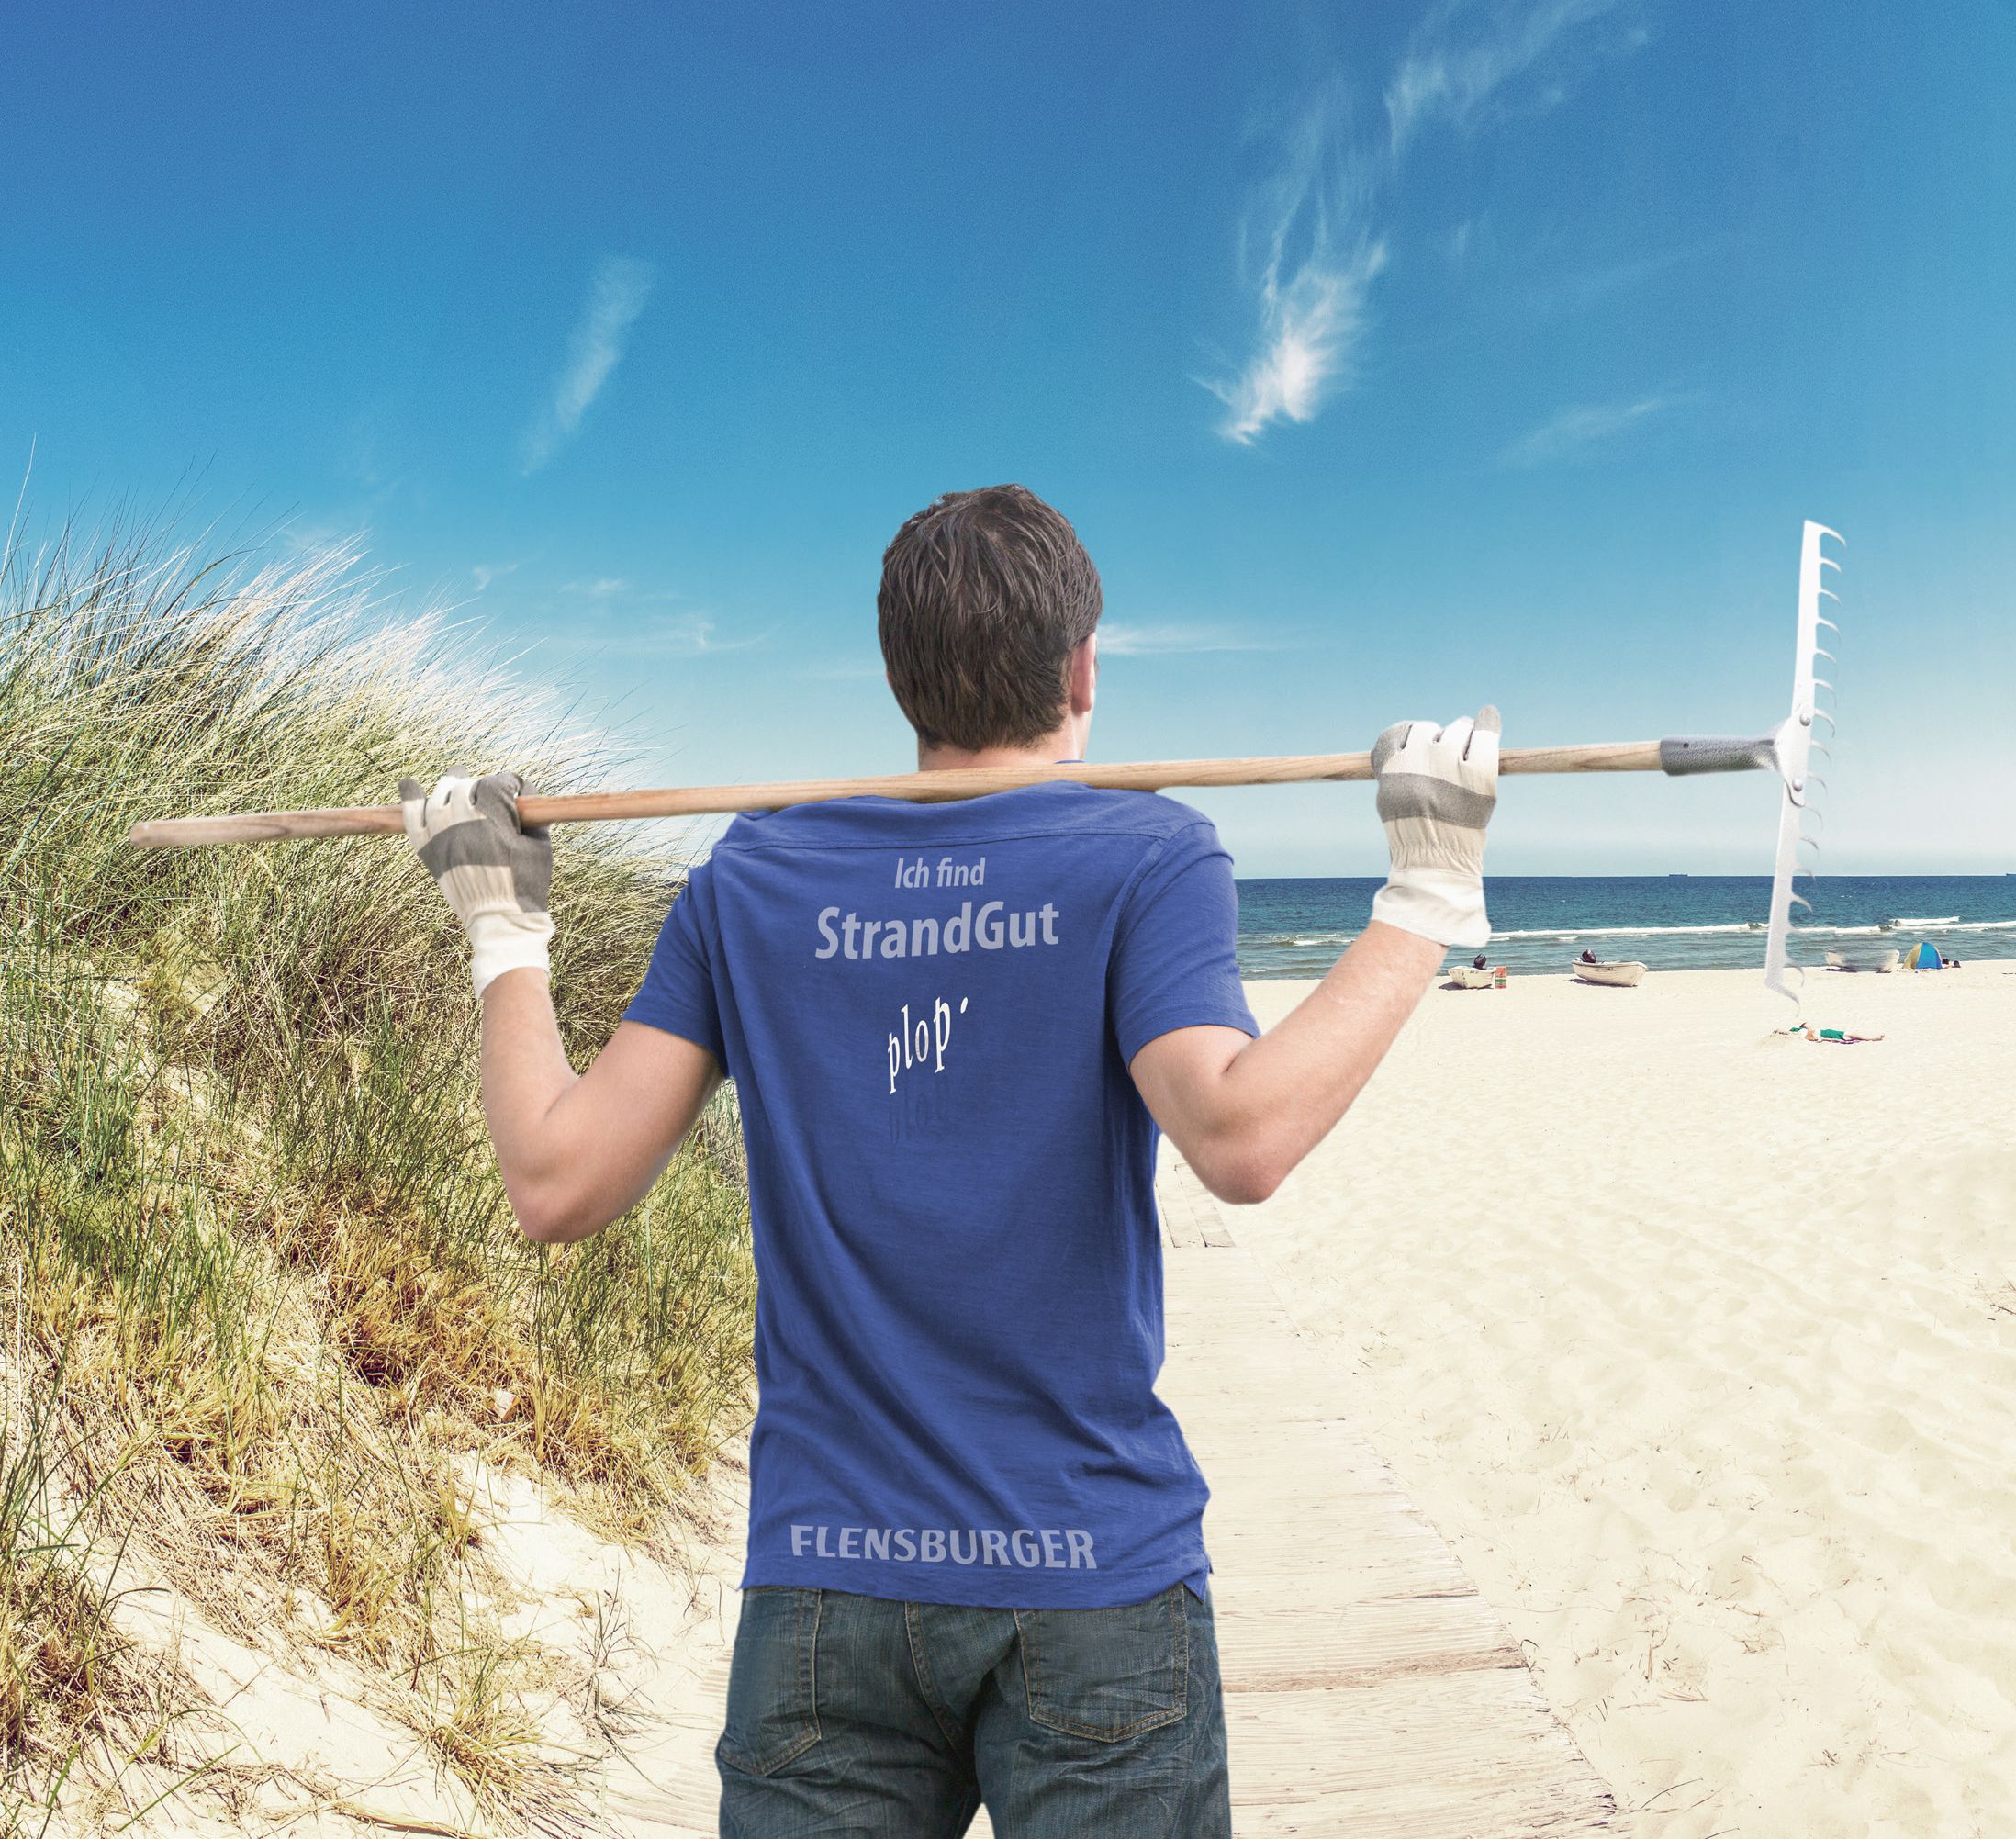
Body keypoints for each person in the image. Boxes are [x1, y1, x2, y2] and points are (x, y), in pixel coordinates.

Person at [397, 484, 1495, 1839]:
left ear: (898, 674)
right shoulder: (1144, 852)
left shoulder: (753, 878)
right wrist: (1426, 890)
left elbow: (557, 1182)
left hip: (828, 1586)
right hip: (1085, 1570)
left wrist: (503, 928)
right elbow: (1243, 1134)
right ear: (1082, 667)